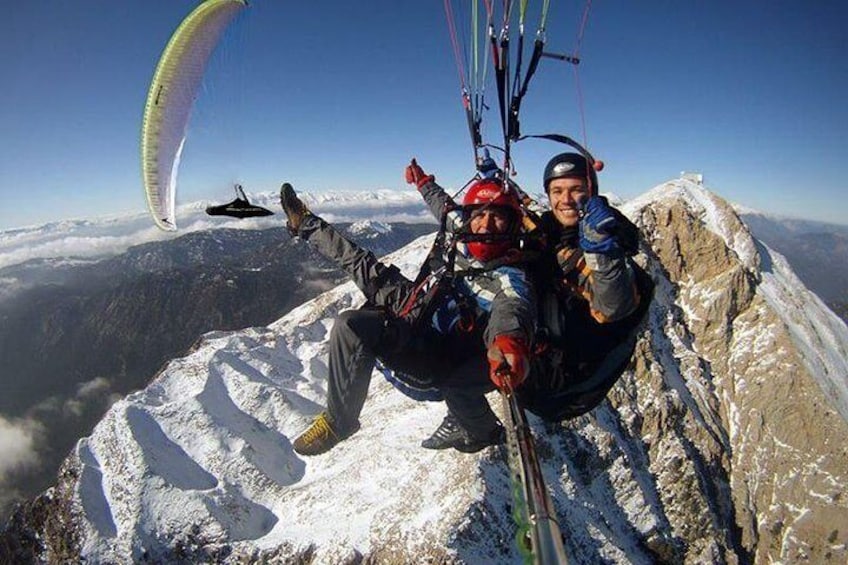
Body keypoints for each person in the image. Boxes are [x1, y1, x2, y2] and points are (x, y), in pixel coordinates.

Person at [280, 167, 537, 456]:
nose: (486, 224)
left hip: (430, 354)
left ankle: (338, 422)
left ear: (513, 225)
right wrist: (424, 182)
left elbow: (513, 309)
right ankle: (305, 223)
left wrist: (509, 341)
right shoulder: (463, 225)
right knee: (363, 264)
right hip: (422, 305)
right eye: (480, 214)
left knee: (350, 325)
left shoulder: (509, 278)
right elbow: (445, 207)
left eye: (498, 217)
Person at [420, 152, 654, 447]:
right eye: (557, 191)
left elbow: (614, 305)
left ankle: (471, 423)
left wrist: (602, 253)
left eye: (577, 190)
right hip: (542, 353)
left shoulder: (598, 245)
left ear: (592, 191)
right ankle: (464, 407)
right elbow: (473, 216)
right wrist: (431, 185)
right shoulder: (547, 228)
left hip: (559, 385)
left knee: (455, 363)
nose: (566, 199)